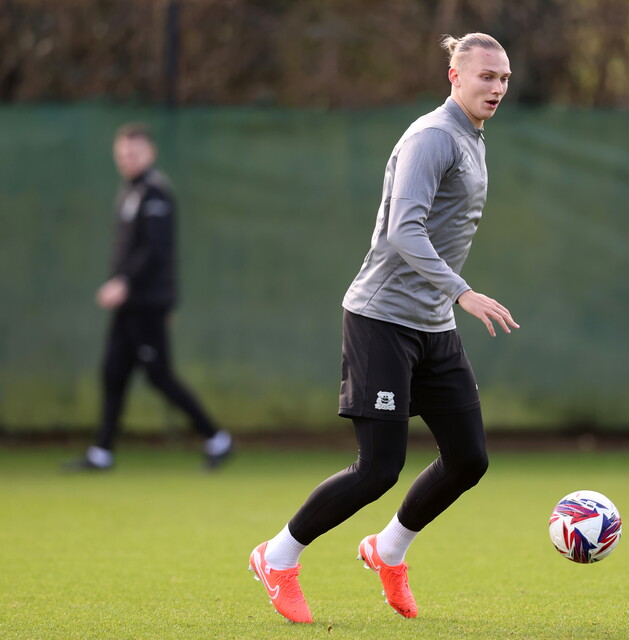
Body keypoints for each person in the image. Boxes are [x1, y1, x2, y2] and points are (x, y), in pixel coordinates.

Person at [248, 33, 518, 624]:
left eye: (503, 78)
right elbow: (404, 229)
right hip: (382, 319)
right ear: (454, 75)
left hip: (432, 323)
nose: (496, 87)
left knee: (469, 459)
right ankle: (277, 556)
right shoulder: (432, 137)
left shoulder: (472, 137)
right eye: (485, 77)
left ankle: (388, 549)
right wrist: (464, 292)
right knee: (377, 468)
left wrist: (448, 301)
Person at [64, 123, 232, 471]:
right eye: (123, 154)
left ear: (150, 153)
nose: (127, 159)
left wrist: (124, 282)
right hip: (129, 306)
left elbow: (154, 251)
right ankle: (102, 452)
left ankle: (216, 437)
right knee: (113, 372)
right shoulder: (130, 191)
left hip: (147, 305)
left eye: (134, 153)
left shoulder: (156, 193)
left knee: (159, 375)